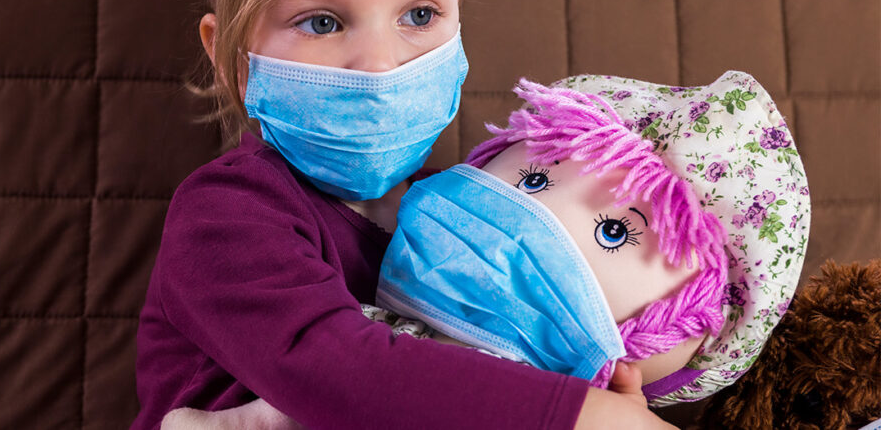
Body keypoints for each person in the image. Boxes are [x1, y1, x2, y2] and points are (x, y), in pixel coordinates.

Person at [131, 0, 676, 428]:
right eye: (322, 22)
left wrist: (607, 383)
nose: (380, 66)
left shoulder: (464, 206)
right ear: (234, 59)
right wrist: (582, 416)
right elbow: (334, 368)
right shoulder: (223, 217)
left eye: (419, 14)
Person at [164, 71, 811, 428]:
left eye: (616, 232)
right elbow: (337, 369)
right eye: (533, 178)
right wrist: (584, 418)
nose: (526, 220)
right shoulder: (236, 202)